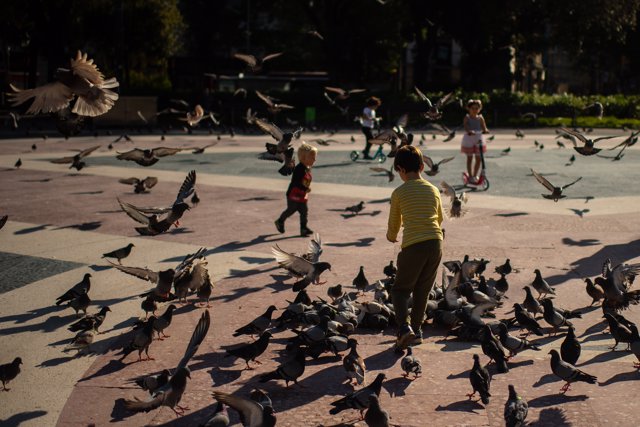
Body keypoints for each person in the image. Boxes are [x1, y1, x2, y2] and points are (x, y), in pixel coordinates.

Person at [386, 145, 444, 351]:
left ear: (400, 169)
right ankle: (417, 331)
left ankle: (404, 328)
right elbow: (440, 218)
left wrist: (391, 236)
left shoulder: (399, 192)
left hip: (413, 245)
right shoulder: (433, 189)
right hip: (436, 243)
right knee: (423, 289)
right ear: (421, 166)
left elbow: (394, 221)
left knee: (400, 290)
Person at [275, 143, 317, 237]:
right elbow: (297, 183)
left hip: (302, 194)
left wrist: (305, 189)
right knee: (291, 210)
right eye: (312, 157)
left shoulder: (306, 168)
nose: (315, 160)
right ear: (303, 158)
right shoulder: (299, 169)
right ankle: (280, 221)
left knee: (304, 210)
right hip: (293, 194)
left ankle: (303, 228)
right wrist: (305, 188)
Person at [460, 99, 490, 183]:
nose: (475, 110)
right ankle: (470, 176)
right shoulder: (467, 117)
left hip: (478, 138)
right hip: (469, 138)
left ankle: (474, 175)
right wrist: (469, 131)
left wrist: (485, 130)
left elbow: (484, 127)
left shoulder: (480, 118)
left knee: (478, 158)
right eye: (473, 108)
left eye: (477, 108)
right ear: (469, 109)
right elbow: (465, 126)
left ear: (479, 109)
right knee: (469, 158)